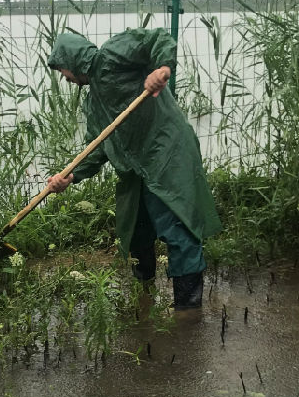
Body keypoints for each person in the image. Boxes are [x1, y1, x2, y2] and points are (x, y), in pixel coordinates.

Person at [45, 28, 221, 309]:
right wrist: (70, 176)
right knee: (137, 229)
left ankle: (187, 313)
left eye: (62, 70)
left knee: (177, 227)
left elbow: (157, 39)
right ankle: (144, 298)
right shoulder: (94, 102)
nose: (65, 77)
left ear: (72, 60)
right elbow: (98, 146)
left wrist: (162, 69)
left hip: (167, 154)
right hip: (136, 169)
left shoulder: (112, 55)